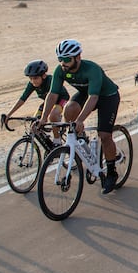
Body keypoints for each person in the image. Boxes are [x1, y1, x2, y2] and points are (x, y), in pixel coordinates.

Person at [39, 40, 122, 194]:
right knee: (69, 110)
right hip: (86, 94)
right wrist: (44, 117)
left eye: (67, 59)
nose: (63, 63)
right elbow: (52, 94)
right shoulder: (61, 70)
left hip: (107, 97)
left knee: (104, 135)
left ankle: (111, 172)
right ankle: (81, 139)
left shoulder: (92, 69)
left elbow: (93, 98)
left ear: (77, 57)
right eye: (60, 59)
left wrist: (80, 120)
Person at [4, 60, 69, 143]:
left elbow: (53, 97)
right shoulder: (32, 84)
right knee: (34, 124)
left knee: (52, 116)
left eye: (35, 78)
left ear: (44, 75)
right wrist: (9, 114)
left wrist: (46, 116)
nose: (33, 81)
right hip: (47, 101)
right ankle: (48, 145)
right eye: (30, 78)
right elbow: (22, 99)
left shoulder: (50, 81)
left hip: (61, 99)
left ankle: (57, 141)